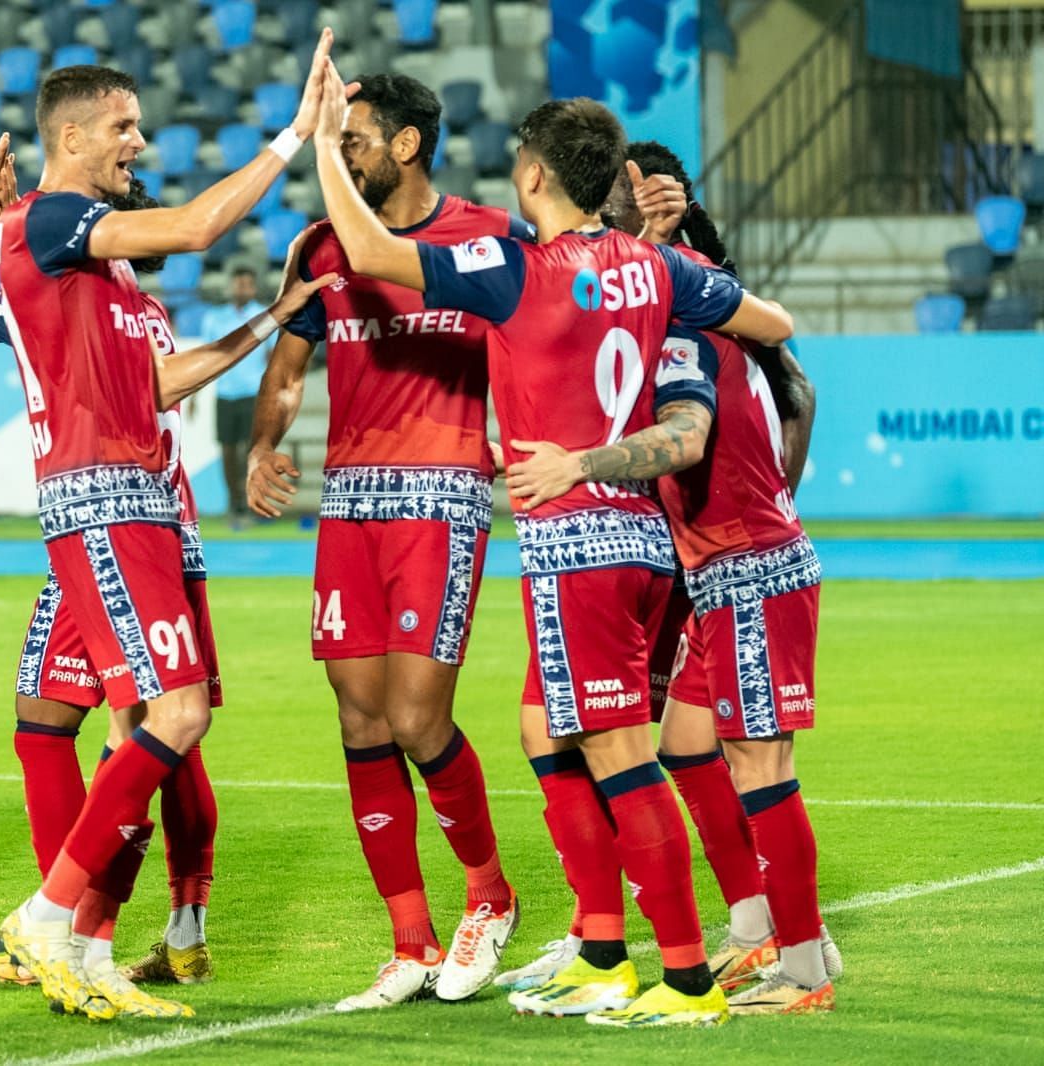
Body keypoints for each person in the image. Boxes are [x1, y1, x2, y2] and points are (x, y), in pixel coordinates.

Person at [308, 60, 794, 1028]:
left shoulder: (513, 270)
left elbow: (364, 246)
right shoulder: (655, 267)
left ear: (533, 177)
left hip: (577, 542)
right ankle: (604, 950)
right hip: (646, 542)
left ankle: (688, 978)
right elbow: (769, 322)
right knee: (546, 725)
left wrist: (321, 140)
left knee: (619, 751)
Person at [0, 44, 343, 1019]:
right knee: (163, 718)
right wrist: (296, 136)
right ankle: (55, 918)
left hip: (132, 509)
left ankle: (97, 941)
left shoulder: (100, 282)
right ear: (74, 134)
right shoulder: (51, 222)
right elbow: (192, 224)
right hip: (107, 505)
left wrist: (270, 318)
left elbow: (153, 380)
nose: (141, 140)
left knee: (136, 721)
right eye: (124, 126)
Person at [0, 158, 226, 1015]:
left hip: (126, 522)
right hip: (111, 524)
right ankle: (122, 925)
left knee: (137, 723)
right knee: (86, 723)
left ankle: (77, 928)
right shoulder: (86, 298)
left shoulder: (109, 303)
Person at [506, 139, 839, 1016]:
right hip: (709, 563)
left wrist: (579, 462)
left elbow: (718, 413)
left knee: (759, 763)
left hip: (749, 559)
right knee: (687, 748)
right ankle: (756, 925)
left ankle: (804, 968)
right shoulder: (658, 289)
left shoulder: (670, 290)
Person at [247, 72, 534, 1011]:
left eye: (357, 139)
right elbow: (290, 364)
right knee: (360, 720)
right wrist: (263, 445)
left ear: (405, 145)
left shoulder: (492, 235)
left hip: (444, 497)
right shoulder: (323, 246)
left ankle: (490, 896)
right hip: (351, 502)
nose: (347, 153)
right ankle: (408, 941)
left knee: (417, 720)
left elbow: (544, 339)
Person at [201, 266, 271, 523]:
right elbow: (206, 357)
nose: (243, 289)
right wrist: (197, 396)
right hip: (225, 393)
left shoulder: (264, 316)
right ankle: (235, 503)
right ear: (231, 286)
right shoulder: (214, 318)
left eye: (247, 285)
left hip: (252, 393)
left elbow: (272, 357)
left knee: (249, 452)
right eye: (239, 284)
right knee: (228, 453)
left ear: (253, 287)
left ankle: (253, 503)